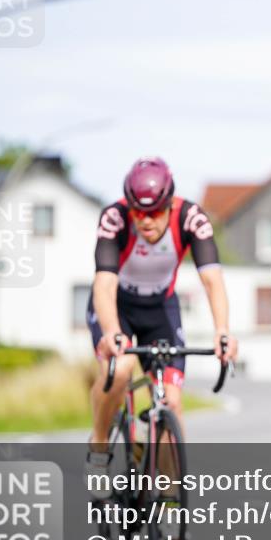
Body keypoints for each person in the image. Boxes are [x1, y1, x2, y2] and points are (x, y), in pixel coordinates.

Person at [85, 157, 238, 486]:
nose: (145, 220)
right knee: (121, 369)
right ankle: (99, 443)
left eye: (154, 212)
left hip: (160, 308)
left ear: (169, 204)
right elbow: (104, 285)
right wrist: (112, 332)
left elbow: (212, 281)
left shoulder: (190, 218)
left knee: (172, 399)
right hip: (117, 306)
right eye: (138, 212)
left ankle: (168, 497)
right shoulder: (115, 218)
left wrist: (222, 331)